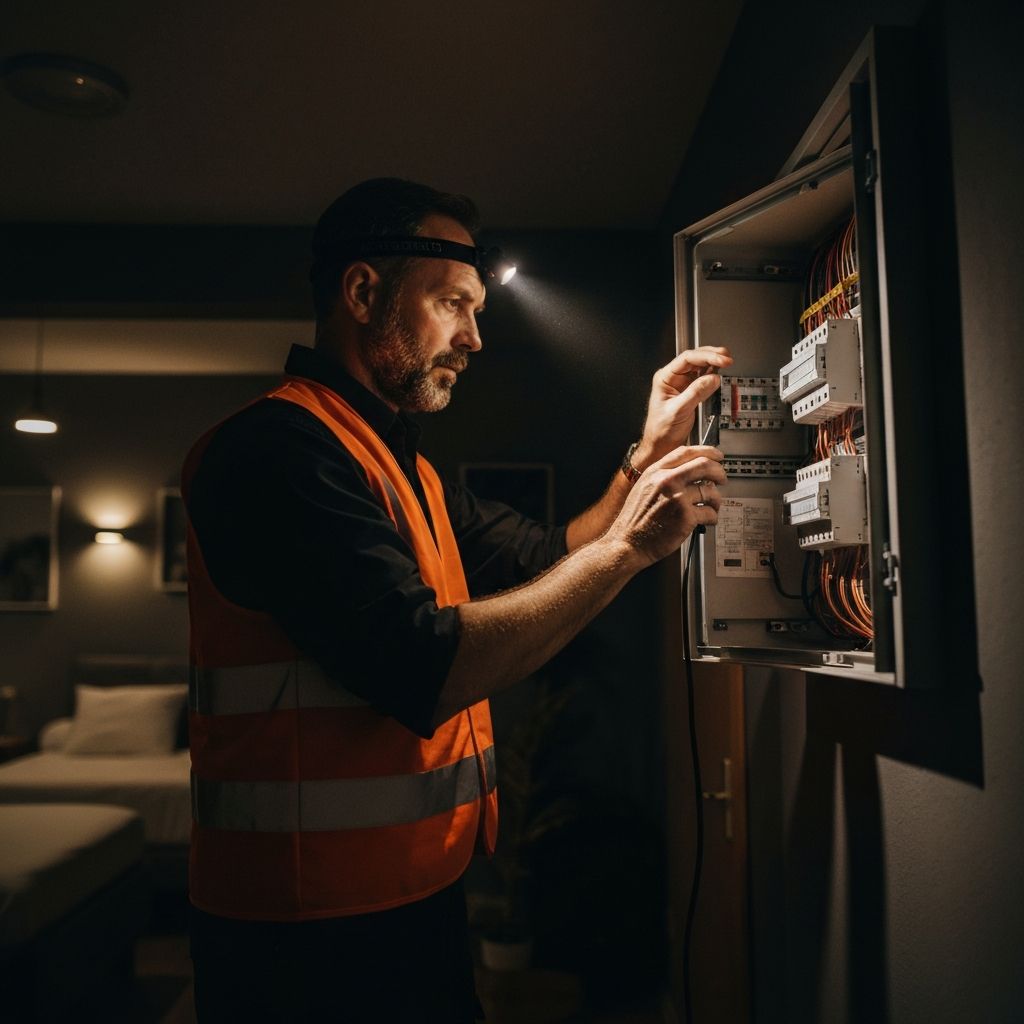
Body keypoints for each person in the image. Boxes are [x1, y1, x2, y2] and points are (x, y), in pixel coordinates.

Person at [183, 177, 730, 1023]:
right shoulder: (277, 451)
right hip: (302, 931)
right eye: (452, 304)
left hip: (409, 896)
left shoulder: (406, 468)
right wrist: (629, 551)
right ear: (364, 294)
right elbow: (425, 667)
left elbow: (547, 560)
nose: (475, 338)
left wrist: (643, 455)